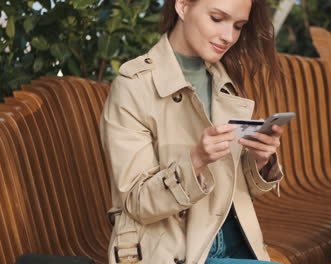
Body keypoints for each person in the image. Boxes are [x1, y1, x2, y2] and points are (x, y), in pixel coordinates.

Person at [100, 0, 286, 263]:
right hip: (179, 249)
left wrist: (259, 160)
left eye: (238, 26)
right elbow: (137, 202)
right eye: (217, 18)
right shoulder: (134, 86)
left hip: (239, 240)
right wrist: (196, 160)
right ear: (183, 6)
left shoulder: (223, 78)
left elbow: (232, 190)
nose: (228, 36)